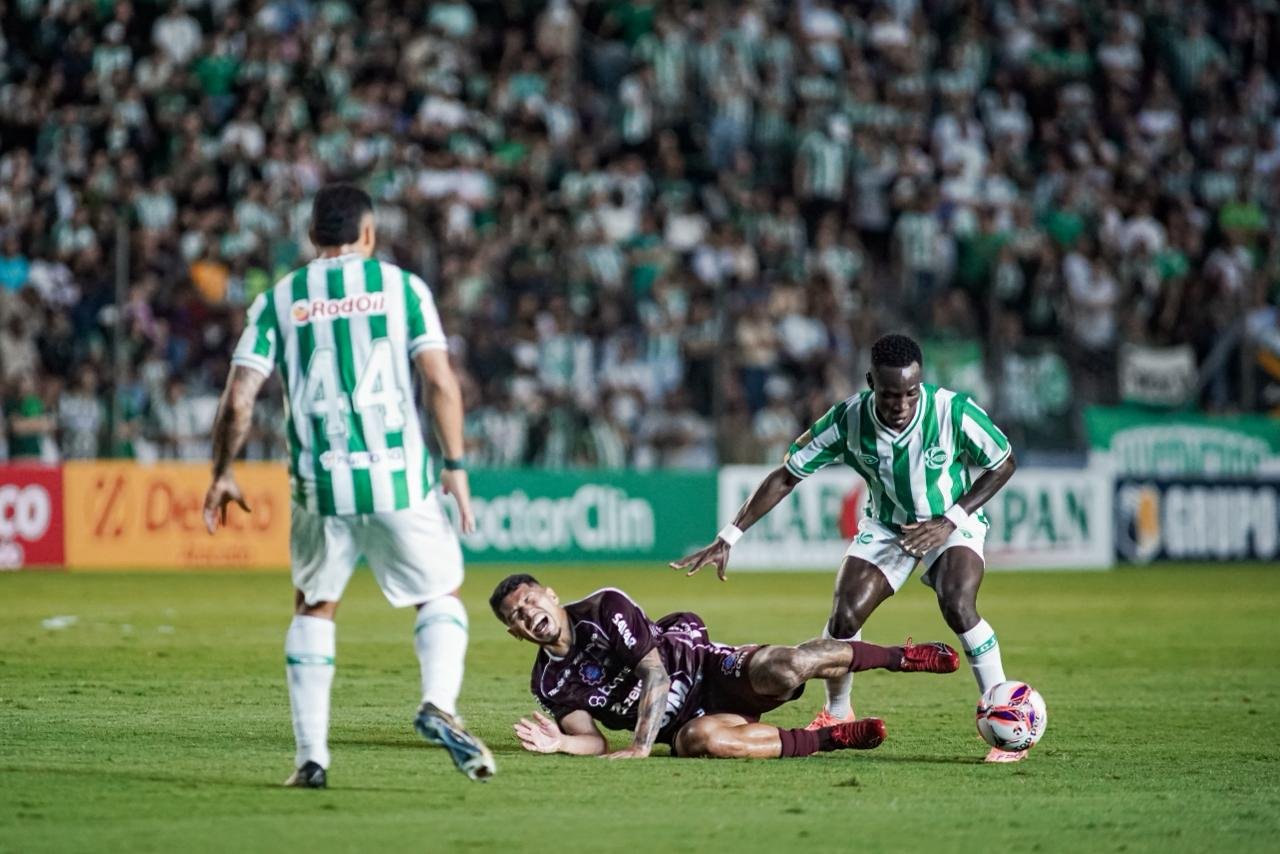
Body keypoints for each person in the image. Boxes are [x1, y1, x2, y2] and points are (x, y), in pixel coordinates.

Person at [201, 184, 494, 788]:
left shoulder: (280, 299)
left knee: (315, 604)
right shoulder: (403, 289)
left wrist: (221, 472)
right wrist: (456, 466)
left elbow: (238, 399)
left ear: (312, 237)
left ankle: (312, 759)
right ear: (368, 234)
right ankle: (438, 701)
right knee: (439, 595)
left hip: (318, 484)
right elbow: (440, 382)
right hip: (397, 481)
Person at [671, 333, 1024, 762]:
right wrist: (730, 535)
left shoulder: (953, 411)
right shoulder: (846, 420)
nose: (901, 405)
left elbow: (1002, 462)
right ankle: (836, 713)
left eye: (911, 393)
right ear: (870, 382)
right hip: (886, 525)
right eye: (891, 394)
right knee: (844, 615)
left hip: (951, 520)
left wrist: (950, 519)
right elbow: (787, 475)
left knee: (957, 602)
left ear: (921, 384)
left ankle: (1003, 717)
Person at [490, 574, 959, 760]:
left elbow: (654, 673)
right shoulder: (549, 682)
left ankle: (901, 657)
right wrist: (561, 743)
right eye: (517, 615)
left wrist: (638, 747)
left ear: (549, 595)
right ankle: (829, 738)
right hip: (685, 724)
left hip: (707, 670)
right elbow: (591, 739)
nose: (528, 613)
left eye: (530, 600)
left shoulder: (603, 608)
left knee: (788, 665)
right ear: (516, 632)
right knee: (701, 742)